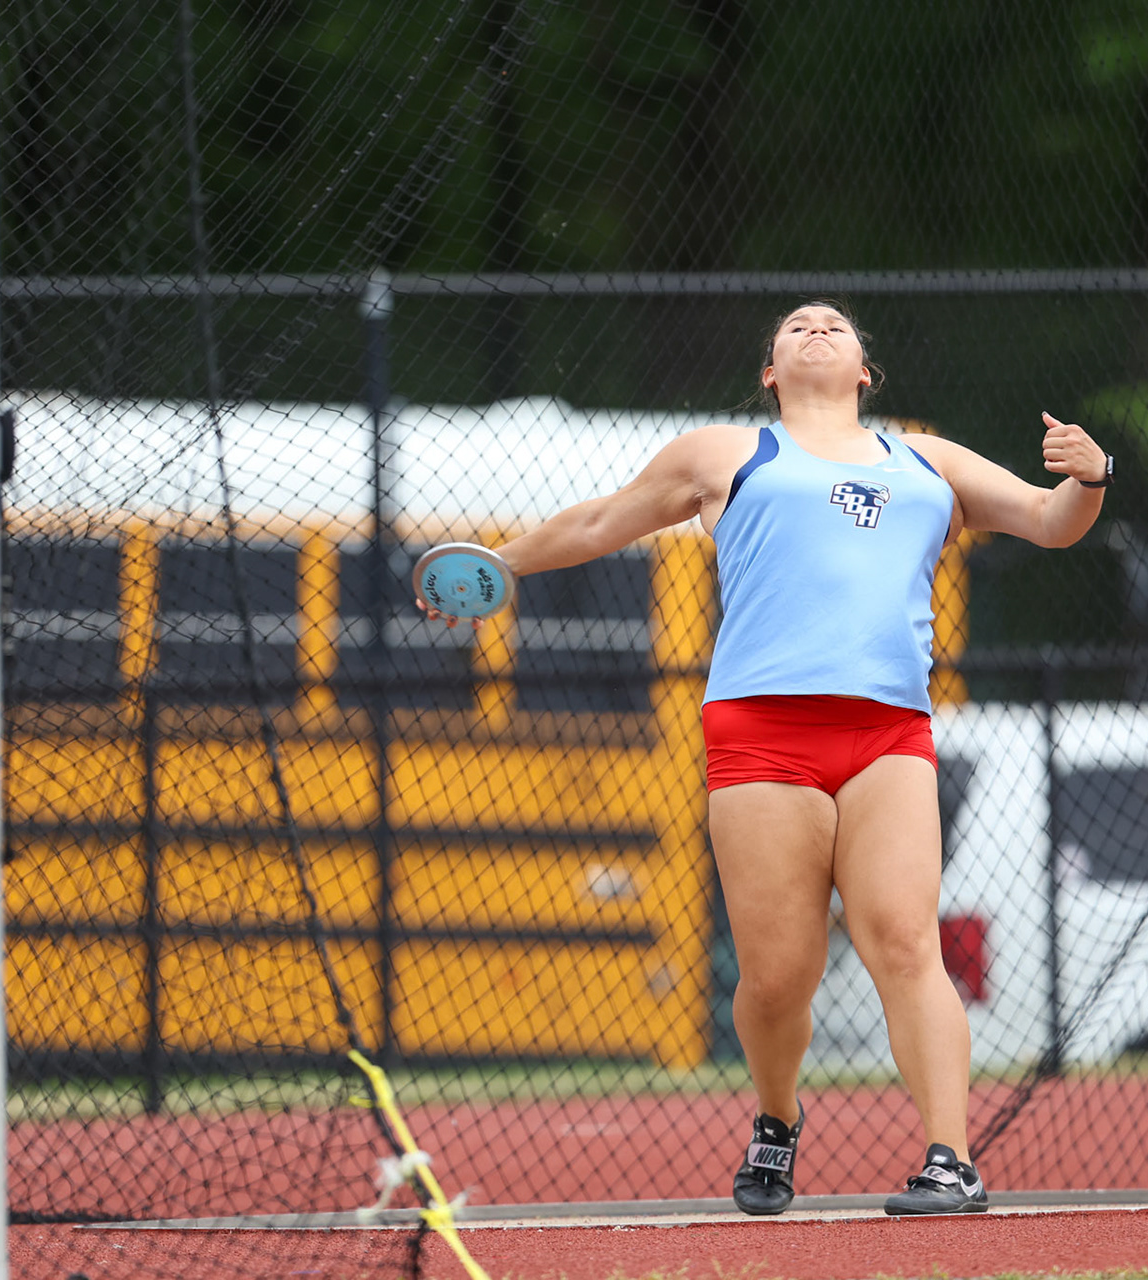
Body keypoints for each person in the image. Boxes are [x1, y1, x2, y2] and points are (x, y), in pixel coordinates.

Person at [420, 300, 1110, 1214]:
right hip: (761, 732)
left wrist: (1092, 477)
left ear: (867, 370)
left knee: (905, 943)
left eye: (836, 323)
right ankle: (777, 1124)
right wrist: (497, 568)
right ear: (770, 372)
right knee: (780, 975)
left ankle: (952, 1159)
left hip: (889, 734)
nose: (817, 326)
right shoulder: (724, 454)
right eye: (795, 325)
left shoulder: (928, 461)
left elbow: (1051, 520)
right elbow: (598, 524)